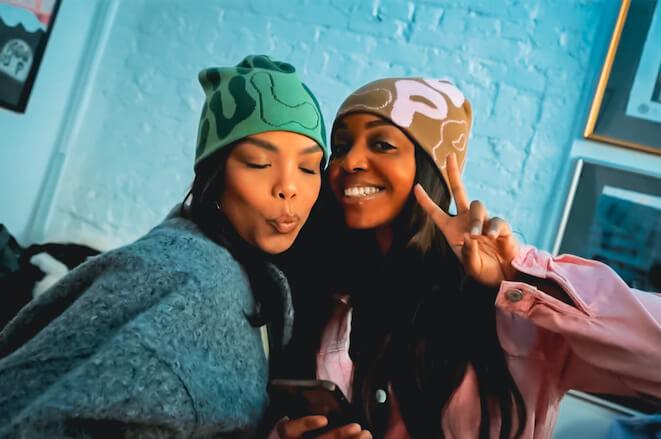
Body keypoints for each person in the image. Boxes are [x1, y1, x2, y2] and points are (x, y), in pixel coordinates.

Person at [273, 77, 661, 438]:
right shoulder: (316, 291)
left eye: (381, 145)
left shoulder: (516, 318)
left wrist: (521, 276)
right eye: (340, 147)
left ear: (434, 169)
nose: (348, 162)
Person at [0, 55, 329, 438]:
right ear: (214, 173)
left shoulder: (253, 273)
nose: (289, 187)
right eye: (258, 162)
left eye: (309, 168)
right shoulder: (185, 294)